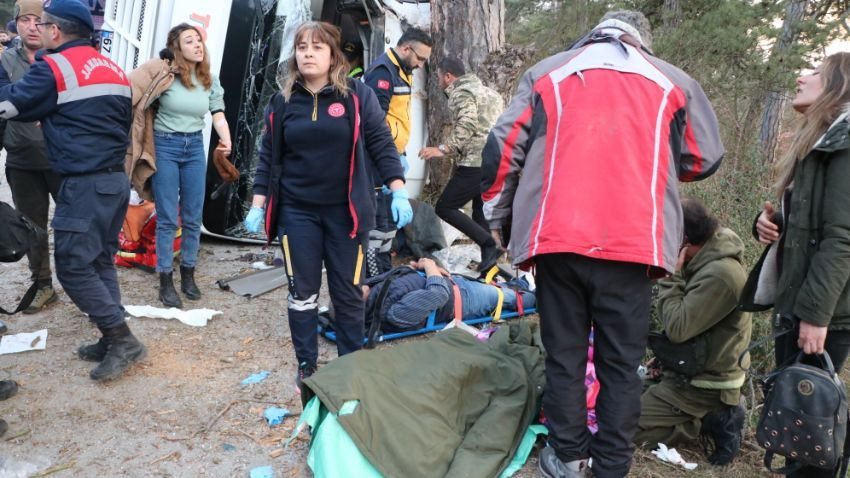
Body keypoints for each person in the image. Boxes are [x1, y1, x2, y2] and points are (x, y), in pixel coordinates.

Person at [480, 11, 724, 477]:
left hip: (557, 237)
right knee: (620, 362)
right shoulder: (673, 80)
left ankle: (569, 456)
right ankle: (611, 464)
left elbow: (503, 146)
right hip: (633, 243)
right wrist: (649, 157)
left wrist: (499, 217)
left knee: (565, 355)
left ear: (592, 34)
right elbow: (703, 157)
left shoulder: (548, 71)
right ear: (642, 41)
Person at [243, 21, 412, 386]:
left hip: (345, 215)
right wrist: (259, 205)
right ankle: (306, 364)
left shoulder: (357, 95)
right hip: (297, 212)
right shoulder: (282, 102)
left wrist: (398, 188)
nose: (307, 53)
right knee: (301, 293)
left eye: (317, 47)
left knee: (348, 294)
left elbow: (382, 143)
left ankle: (350, 366)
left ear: (332, 54)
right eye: (302, 46)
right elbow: (268, 158)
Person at [0, 0, 145, 382]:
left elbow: (8, 107)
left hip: (83, 184)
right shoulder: (111, 68)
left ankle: (122, 338)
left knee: (73, 266)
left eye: (43, 24)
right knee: (99, 260)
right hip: (113, 180)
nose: (38, 30)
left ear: (56, 30)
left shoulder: (54, 67)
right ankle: (109, 337)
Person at [743, 52, 850, 478]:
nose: (800, 77)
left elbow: (842, 239)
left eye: (813, 73)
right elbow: (805, 225)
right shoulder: (819, 141)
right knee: (798, 417)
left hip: (825, 312)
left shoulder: (843, 146)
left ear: (836, 86)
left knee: (813, 419)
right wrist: (766, 225)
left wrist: (814, 316)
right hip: (798, 302)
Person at [634, 199, 750, 465]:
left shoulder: (721, 275)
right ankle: (699, 414)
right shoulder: (706, 254)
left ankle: (709, 421)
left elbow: (678, 328)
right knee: (615, 399)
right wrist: (667, 358)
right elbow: (697, 324)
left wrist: (670, 276)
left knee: (620, 428)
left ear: (683, 240)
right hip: (689, 370)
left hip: (705, 385)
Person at [126, 23, 231, 308]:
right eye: (189, 41)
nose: (198, 44)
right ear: (177, 48)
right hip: (166, 146)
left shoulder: (209, 78)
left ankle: (188, 274)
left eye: (199, 39)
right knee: (168, 218)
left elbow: (217, 113)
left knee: (193, 215)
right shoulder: (165, 74)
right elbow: (134, 93)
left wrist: (227, 141)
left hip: (195, 147)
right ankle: (165, 280)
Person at [0, 0, 61, 314]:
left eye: (38, 20)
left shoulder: (62, 59)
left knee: (76, 225)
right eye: (25, 19)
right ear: (17, 24)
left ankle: (84, 284)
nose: (32, 26)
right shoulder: (5, 62)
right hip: (22, 160)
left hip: (63, 159)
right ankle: (43, 285)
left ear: (50, 25)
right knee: (33, 228)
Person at [420, 57, 504, 273]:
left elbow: (467, 123)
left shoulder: (460, 92)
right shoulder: (491, 93)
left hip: (475, 161)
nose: (439, 82)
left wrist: (443, 148)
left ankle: (490, 245)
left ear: (448, 77)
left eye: (439, 77)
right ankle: (489, 262)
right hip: (496, 159)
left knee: (445, 206)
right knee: (479, 210)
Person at [362, 27, 432, 277]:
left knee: (387, 227)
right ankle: (372, 282)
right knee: (378, 226)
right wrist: (391, 153)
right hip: (380, 160)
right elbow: (374, 121)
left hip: (393, 156)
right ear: (405, 49)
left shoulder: (402, 69)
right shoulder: (382, 72)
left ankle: (382, 277)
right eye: (420, 59)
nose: (421, 65)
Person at [361, 257, 535, 332]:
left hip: (456, 285)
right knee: (514, 299)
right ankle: (540, 297)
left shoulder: (373, 289)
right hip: (463, 300)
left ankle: (523, 283)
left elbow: (401, 277)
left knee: (500, 288)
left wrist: (417, 266)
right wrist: (430, 267)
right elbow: (438, 295)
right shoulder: (391, 312)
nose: (358, 286)